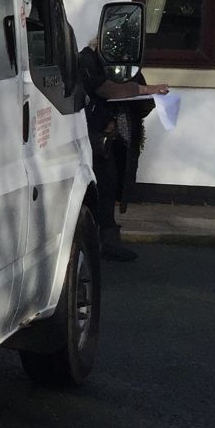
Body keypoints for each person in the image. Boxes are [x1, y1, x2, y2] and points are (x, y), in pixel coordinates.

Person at [75, 39, 167, 262]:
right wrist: (146, 89)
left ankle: (106, 239)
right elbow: (104, 88)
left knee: (111, 184)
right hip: (95, 136)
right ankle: (100, 241)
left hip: (116, 137)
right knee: (101, 185)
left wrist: (145, 94)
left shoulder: (123, 63)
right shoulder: (87, 59)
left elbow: (136, 100)